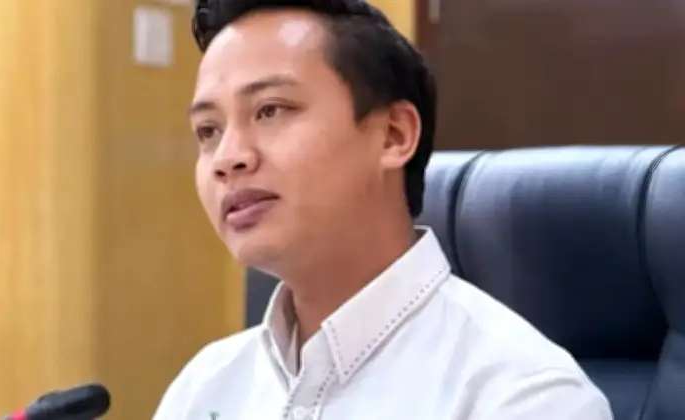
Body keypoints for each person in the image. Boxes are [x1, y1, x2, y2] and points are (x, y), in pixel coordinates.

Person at [154, 0, 613, 419]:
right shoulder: (205, 388)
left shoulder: (523, 396)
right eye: (208, 131)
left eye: (270, 110)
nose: (228, 158)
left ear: (394, 135)